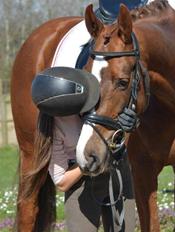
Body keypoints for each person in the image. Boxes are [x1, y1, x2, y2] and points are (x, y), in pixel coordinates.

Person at [29, 67, 137, 232]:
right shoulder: (54, 128)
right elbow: (61, 182)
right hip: (82, 184)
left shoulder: (96, 94)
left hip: (116, 170)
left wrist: (133, 122)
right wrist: (87, 162)